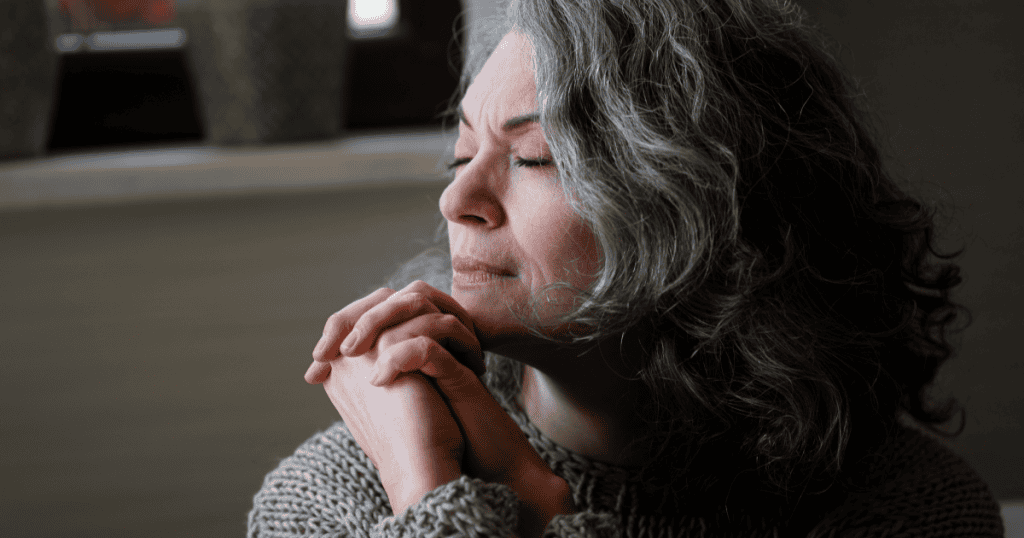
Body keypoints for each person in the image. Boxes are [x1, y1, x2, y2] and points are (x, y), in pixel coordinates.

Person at [248, 0, 1005, 536]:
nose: (457, 198)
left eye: (534, 158)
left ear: (714, 205)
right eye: (461, 153)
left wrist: (531, 511)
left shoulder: (906, 507)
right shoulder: (336, 497)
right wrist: (425, 491)